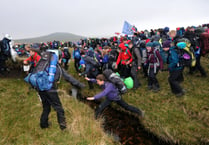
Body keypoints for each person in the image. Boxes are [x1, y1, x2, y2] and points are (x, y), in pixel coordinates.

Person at [27, 51, 85, 130]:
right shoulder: (57, 68)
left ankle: (43, 124)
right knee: (59, 108)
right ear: (58, 59)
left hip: (40, 89)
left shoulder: (42, 65)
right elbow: (69, 78)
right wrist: (80, 85)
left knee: (46, 107)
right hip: (50, 89)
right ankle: (63, 128)